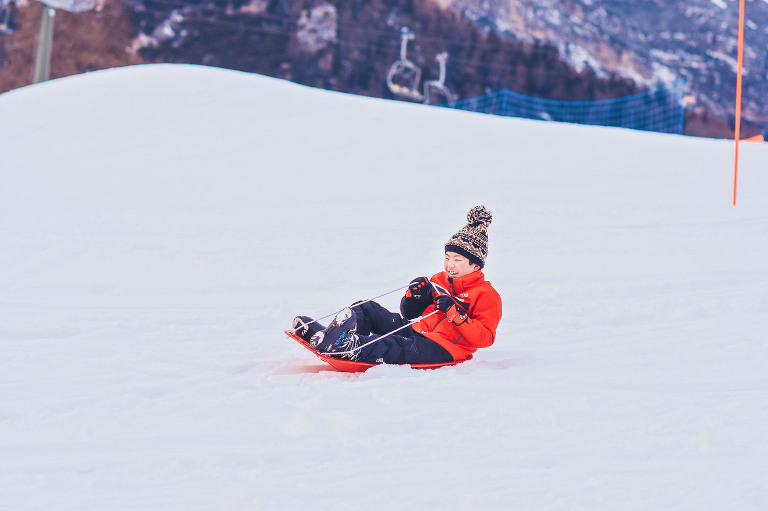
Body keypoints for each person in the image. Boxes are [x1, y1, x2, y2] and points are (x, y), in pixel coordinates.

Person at [292, 205, 502, 365]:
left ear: (475, 265)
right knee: (367, 308)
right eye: (447, 258)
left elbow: (485, 338)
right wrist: (415, 296)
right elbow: (410, 313)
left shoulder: (486, 295)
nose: (450, 265)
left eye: (458, 260)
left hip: (444, 349)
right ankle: (332, 336)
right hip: (420, 331)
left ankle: (352, 348)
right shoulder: (440, 279)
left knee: (395, 347)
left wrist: (454, 313)